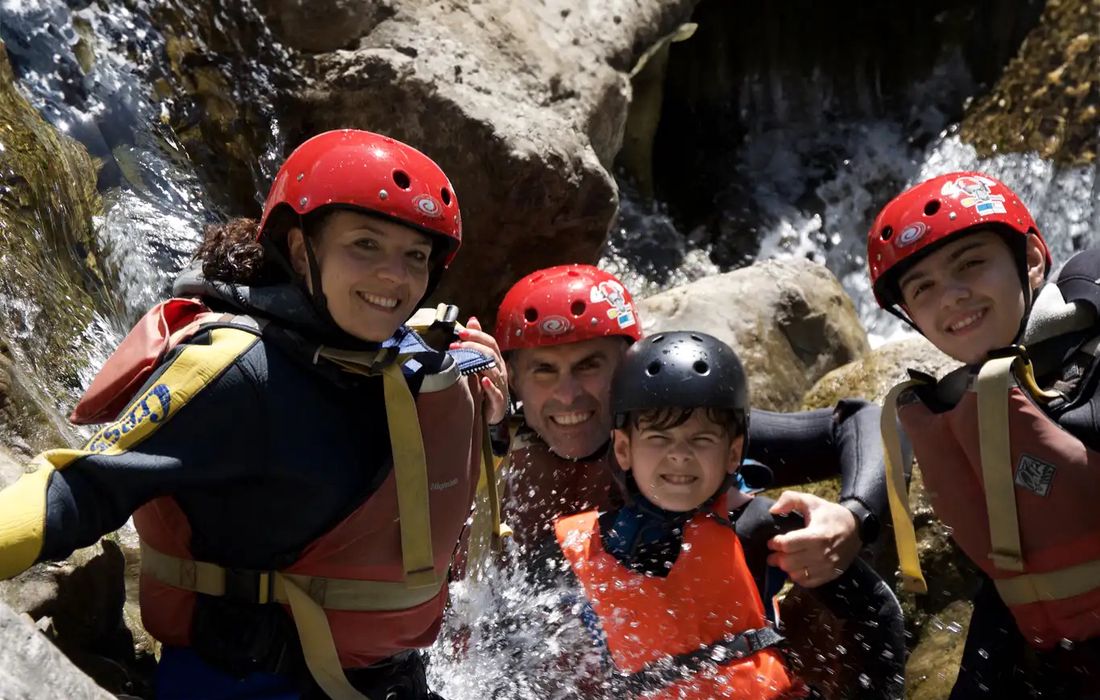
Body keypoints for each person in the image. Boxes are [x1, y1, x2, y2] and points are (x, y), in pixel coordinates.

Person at [0, 129, 510, 700]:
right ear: (301, 250)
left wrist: (491, 427)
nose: (396, 275)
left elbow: (424, 505)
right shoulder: (239, 371)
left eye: (415, 255)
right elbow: (84, 486)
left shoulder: (399, 366)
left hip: (384, 683)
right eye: (366, 244)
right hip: (249, 684)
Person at [552, 331, 905, 699]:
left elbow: (876, 612)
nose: (679, 454)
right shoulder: (576, 550)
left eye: (701, 439)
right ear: (623, 449)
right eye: (659, 437)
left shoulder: (764, 528)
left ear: (734, 453)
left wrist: (854, 517)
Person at [494, 265, 888, 591]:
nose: (567, 395)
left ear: (629, 363)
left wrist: (854, 517)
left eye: (588, 365)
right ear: (513, 378)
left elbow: (861, 421)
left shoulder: (682, 433)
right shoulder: (483, 444)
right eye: (543, 370)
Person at [867, 171, 1100, 698]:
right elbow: (1011, 580)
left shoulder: (1091, 367)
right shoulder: (972, 404)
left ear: (1032, 259)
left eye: (970, 263)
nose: (951, 297)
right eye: (922, 288)